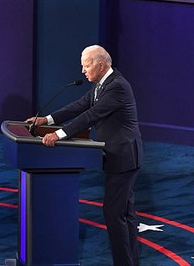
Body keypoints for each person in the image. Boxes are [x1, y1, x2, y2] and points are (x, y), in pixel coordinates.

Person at [27, 45, 142, 266]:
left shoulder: (117, 86)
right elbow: (80, 106)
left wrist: (58, 135)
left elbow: (91, 115)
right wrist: (47, 120)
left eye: (86, 65)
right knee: (124, 215)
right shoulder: (103, 84)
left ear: (101, 65)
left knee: (115, 214)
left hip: (124, 157)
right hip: (120, 157)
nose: (82, 70)